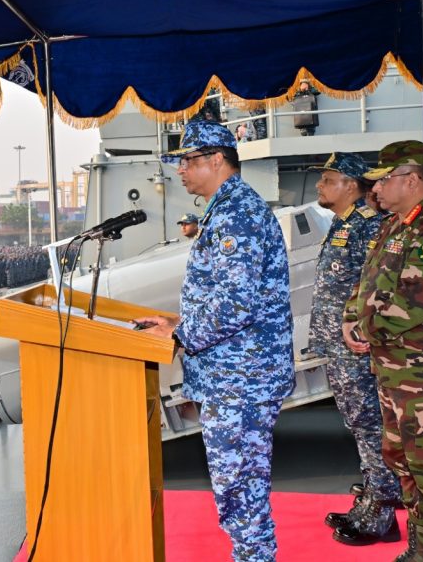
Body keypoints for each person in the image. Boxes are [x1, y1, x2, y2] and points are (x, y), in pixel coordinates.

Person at [136, 120, 294, 561]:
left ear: (217, 160)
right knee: (243, 485)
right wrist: (175, 321)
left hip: (241, 379)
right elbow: (229, 295)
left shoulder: (236, 215)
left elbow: (235, 305)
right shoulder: (228, 209)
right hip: (236, 374)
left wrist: (182, 333)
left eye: (188, 160)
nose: (181, 170)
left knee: (239, 487)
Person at [342, 140, 423, 562]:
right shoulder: (394, 225)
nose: (376, 189)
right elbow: (366, 282)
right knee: (403, 461)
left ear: (412, 179)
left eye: (384, 180)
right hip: (393, 369)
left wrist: (366, 329)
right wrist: (349, 317)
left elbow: (414, 303)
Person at [305, 152, 400, 545]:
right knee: (359, 424)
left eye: (328, 179)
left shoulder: (368, 226)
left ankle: (383, 509)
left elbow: (376, 286)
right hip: (340, 345)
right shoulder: (344, 224)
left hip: (357, 347)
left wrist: (359, 331)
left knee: (370, 424)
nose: (320, 185)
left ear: (351, 185)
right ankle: (373, 496)